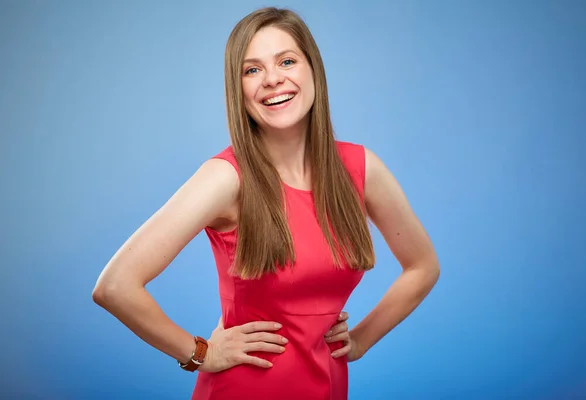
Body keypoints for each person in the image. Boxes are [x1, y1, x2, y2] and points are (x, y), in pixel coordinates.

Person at [92, 6, 440, 400]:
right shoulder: (226, 177)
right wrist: (199, 353)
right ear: (237, 88)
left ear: (313, 70)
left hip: (327, 387)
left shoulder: (361, 168)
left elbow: (423, 266)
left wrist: (360, 341)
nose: (273, 79)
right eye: (252, 70)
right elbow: (115, 286)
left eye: (286, 61)